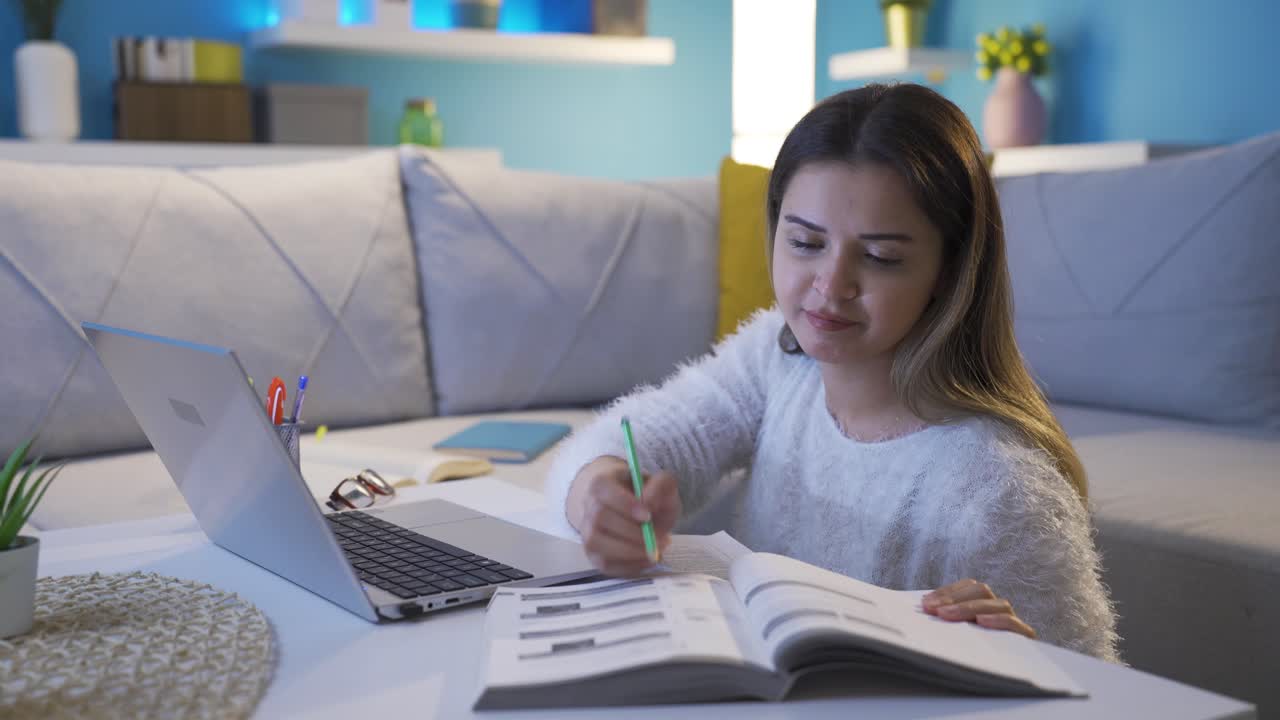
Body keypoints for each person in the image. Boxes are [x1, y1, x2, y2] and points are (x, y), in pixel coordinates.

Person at [545, 83, 1120, 662]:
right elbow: (641, 434)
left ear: (950, 271)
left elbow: (1098, 689)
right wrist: (598, 493)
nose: (830, 285)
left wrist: (1022, 671)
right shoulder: (777, 359)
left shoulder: (999, 488)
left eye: (880, 257)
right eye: (804, 242)